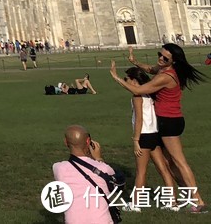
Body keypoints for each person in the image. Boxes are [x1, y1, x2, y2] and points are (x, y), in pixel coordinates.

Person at [112, 43, 207, 212]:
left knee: (179, 161)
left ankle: (198, 200)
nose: (160, 59)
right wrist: (135, 62)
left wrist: (116, 77)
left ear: (174, 61)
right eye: (160, 54)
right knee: (168, 163)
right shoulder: (164, 70)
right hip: (169, 120)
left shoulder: (166, 76)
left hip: (169, 122)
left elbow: (139, 89)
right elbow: (150, 68)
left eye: (165, 58)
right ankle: (183, 196)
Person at [121, 66, 177, 203]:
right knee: (163, 169)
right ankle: (173, 201)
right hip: (155, 134)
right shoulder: (151, 93)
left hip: (144, 136)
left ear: (134, 81)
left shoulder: (137, 97)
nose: (125, 81)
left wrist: (135, 140)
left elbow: (139, 119)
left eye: (126, 79)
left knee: (141, 172)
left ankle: (135, 203)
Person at [50, 125, 122, 223]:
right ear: (88, 141)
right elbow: (117, 183)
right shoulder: (104, 168)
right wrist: (98, 159)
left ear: (66, 142)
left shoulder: (58, 168)